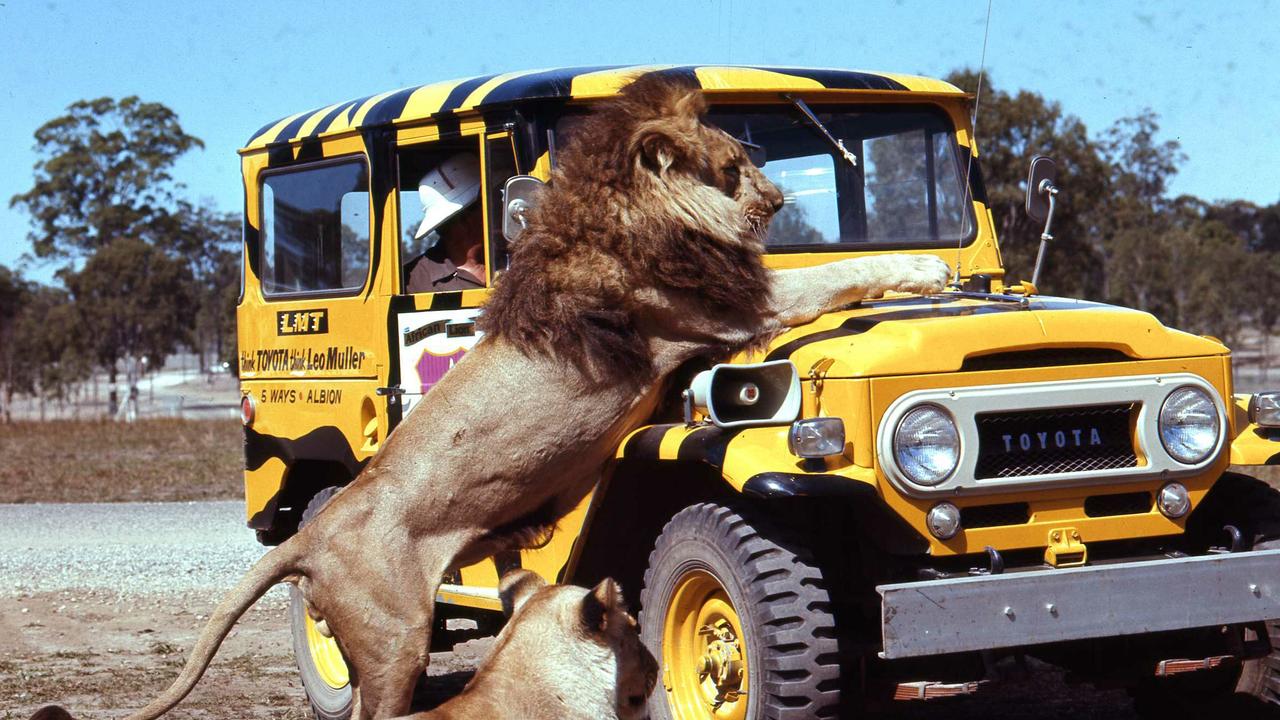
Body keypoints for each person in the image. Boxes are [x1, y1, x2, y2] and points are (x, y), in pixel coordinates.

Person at [404, 152, 487, 293]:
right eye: (491, 201)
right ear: (464, 221)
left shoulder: (519, 261)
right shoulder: (412, 282)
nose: (502, 207)